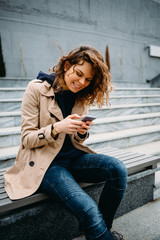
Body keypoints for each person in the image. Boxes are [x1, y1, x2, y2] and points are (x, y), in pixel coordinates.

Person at [4, 46, 127, 240]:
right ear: (66, 65)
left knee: (118, 169)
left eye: (88, 80)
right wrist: (56, 128)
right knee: (89, 210)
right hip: (47, 165)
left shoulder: (81, 95)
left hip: (74, 159)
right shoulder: (36, 89)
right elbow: (27, 139)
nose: (81, 82)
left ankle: (104, 230)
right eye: (78, 74)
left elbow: (74, 140)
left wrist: (81, 133)